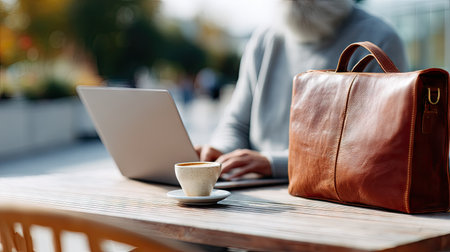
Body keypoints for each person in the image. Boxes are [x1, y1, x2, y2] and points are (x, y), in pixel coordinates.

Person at [195, 0, 408, 181]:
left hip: (336, 203)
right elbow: (237, 124)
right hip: (256, 194)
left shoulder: (380, 39)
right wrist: (220, 151)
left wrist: (273, 163)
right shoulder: (263, 40)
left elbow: (370, 149)